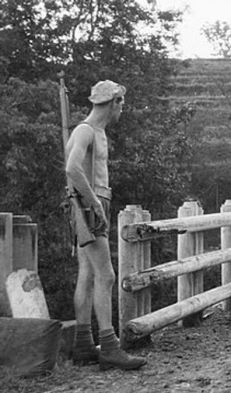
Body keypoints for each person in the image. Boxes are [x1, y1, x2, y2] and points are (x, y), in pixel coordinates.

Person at [65, 80, 147, 371]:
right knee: (107, 275)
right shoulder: (86, 131)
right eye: (121, 103)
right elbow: (72, 168)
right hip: (90, 205)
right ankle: (110, 347)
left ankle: (84, 345)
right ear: (113, 102)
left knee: (87, 273)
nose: (122, 109)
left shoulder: (95, 132)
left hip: (92, 203)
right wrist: (95, 203)